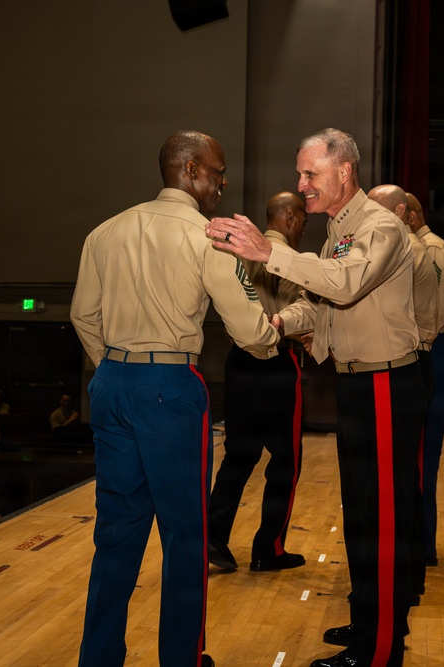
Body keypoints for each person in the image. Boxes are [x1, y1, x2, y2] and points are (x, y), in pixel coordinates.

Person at [207, 128, 425, 667]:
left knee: (381, 520)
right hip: (358, 382)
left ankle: (380, 652)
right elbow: (324, 303)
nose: (301, 185)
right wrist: (279, 322)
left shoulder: (379, 226)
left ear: (344, 172)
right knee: (361, 516)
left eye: (311, 174)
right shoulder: (338, 232)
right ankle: (369, 623)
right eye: (301, 174)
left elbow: (345, 284)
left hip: (384, 383)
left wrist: (268, 254)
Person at [70, 129, 280, 667]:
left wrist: (114, 368)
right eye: (216, 171)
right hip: (169, 390)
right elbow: (251, 333)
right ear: (189, 171)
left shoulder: (105, 231)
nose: (222, 181)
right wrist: (277, 331)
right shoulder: (208, 236)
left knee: (116, 535)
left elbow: (81, 316)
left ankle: (98, 660)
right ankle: (181, 660)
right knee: (186, 538)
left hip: (112, 385)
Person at [208, 191, 308, 573]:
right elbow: (295, 315)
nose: (302, 227)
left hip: (238, 365)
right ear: (290, 217)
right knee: (286, 463)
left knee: (238, 456)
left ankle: (214, 539)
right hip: (277, 365)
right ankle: (270, 550)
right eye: (303, 220)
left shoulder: (232, 254)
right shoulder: (292, 261)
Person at [367, 184, 438, 605]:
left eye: (374, 211)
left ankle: (398, 588)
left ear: (400, 212)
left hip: (409, 362)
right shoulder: (405, 245)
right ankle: (406, 582)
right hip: (415, 360)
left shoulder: (404, 249)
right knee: (401, 484)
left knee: (394, 489)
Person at [406, 192, 444, 567]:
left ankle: (424, 545)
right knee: (413, 455)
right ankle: (415, 539)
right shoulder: (418, 248)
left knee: (425, 456)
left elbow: (434, 313)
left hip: (434, 351)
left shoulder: (433, 251)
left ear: (408, 215)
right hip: (426, 351)